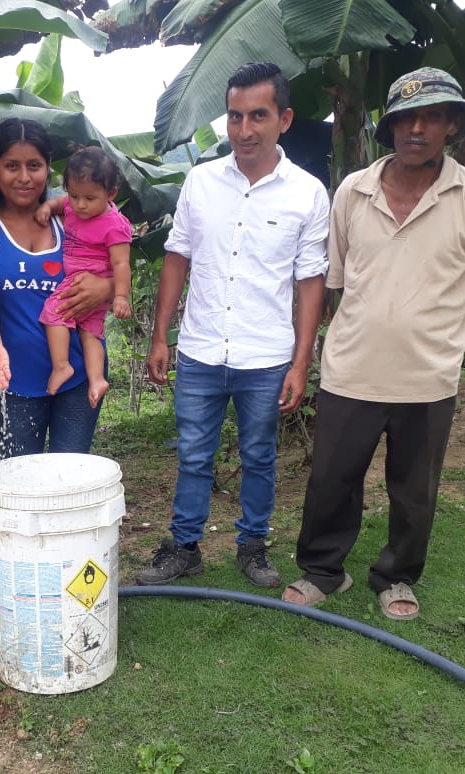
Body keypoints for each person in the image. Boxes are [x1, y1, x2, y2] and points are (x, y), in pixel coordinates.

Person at [281, 68, 465, 620]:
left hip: (428, 375)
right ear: (390, 127)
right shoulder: (353, 191)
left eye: (432, 117)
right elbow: (337, 279)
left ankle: (397, 576)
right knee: (332, 479)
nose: (417, 129)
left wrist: (428, 321)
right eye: (406, 118)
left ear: (451, 126)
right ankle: (323, 571)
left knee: (413, 488)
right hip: (352, 367)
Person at [137, 62, 330, 588]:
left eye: (258, 116)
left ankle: (253, 546)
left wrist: (301, 361)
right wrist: (160, 336)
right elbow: (177, 257)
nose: (244, 130)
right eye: (235, 116)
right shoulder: (201, 182)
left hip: (266, 356)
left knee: (260, 456)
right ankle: (184, 547)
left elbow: (310, 280)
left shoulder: (307, 193)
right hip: (201, 349)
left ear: (284, 119)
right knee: (193, 455)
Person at [0, 118, 114, 457]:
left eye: (34, 166)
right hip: (15, 379)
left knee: (71, 473)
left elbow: (113, 264)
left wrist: (108, 288)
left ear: (48, 167)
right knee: (18, 476)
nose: (24, 177)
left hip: (79, 374)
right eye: (12, 166)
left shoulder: (73, 217)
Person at [36, 146, 133, 408]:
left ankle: (62, 366)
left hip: (85, 279)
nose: (80, 204)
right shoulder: (72, 204)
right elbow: (61, 203)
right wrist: (47, 206)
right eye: (74, 195)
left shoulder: (114, 225)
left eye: (89, 198)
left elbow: (121, 263)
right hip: (85, 281)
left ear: (111, 193)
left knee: (53, 312)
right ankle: (97, 379)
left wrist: (120, 296)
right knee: (90, 332)